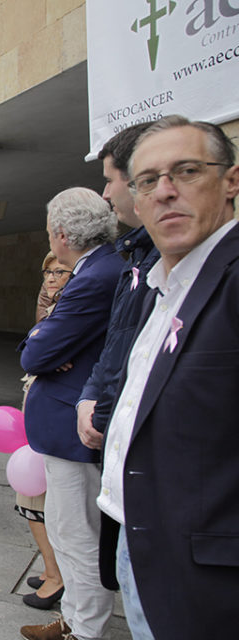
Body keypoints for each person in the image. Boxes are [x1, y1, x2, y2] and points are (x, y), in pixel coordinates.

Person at [95, 116, 239, 640]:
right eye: (149, 180)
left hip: (208, 579)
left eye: (186, 171)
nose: (166, 192)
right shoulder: (164, 283)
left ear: (230, 181)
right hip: (143, 540)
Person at [18, 188, 124, 640]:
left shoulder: (96, 275)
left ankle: (84, 631)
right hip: (65, 423)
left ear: (61, 234)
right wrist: (42, 340)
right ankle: (76, 621)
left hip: (72, 428)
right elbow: (39, 344)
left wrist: (42, 340)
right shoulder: (101, 267)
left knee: (77, 534)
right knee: (66, 529)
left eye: (48, 232)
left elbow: (35, 353)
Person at [77, 123, 160, 455]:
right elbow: (117, 343)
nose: (106, 194)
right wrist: (90, 398)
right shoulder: (135, 257)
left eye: (110, 180)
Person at [17, 253, 70, 611]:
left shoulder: (75, 312)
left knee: (37, 501)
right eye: (47, 271)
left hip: (56, 419)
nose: (51, 277)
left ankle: (56, 577)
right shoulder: (53, 309)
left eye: (60, 271)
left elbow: (38, 354)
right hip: (37, 410)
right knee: (35, 500)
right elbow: (27, 349)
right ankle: (54, 569)